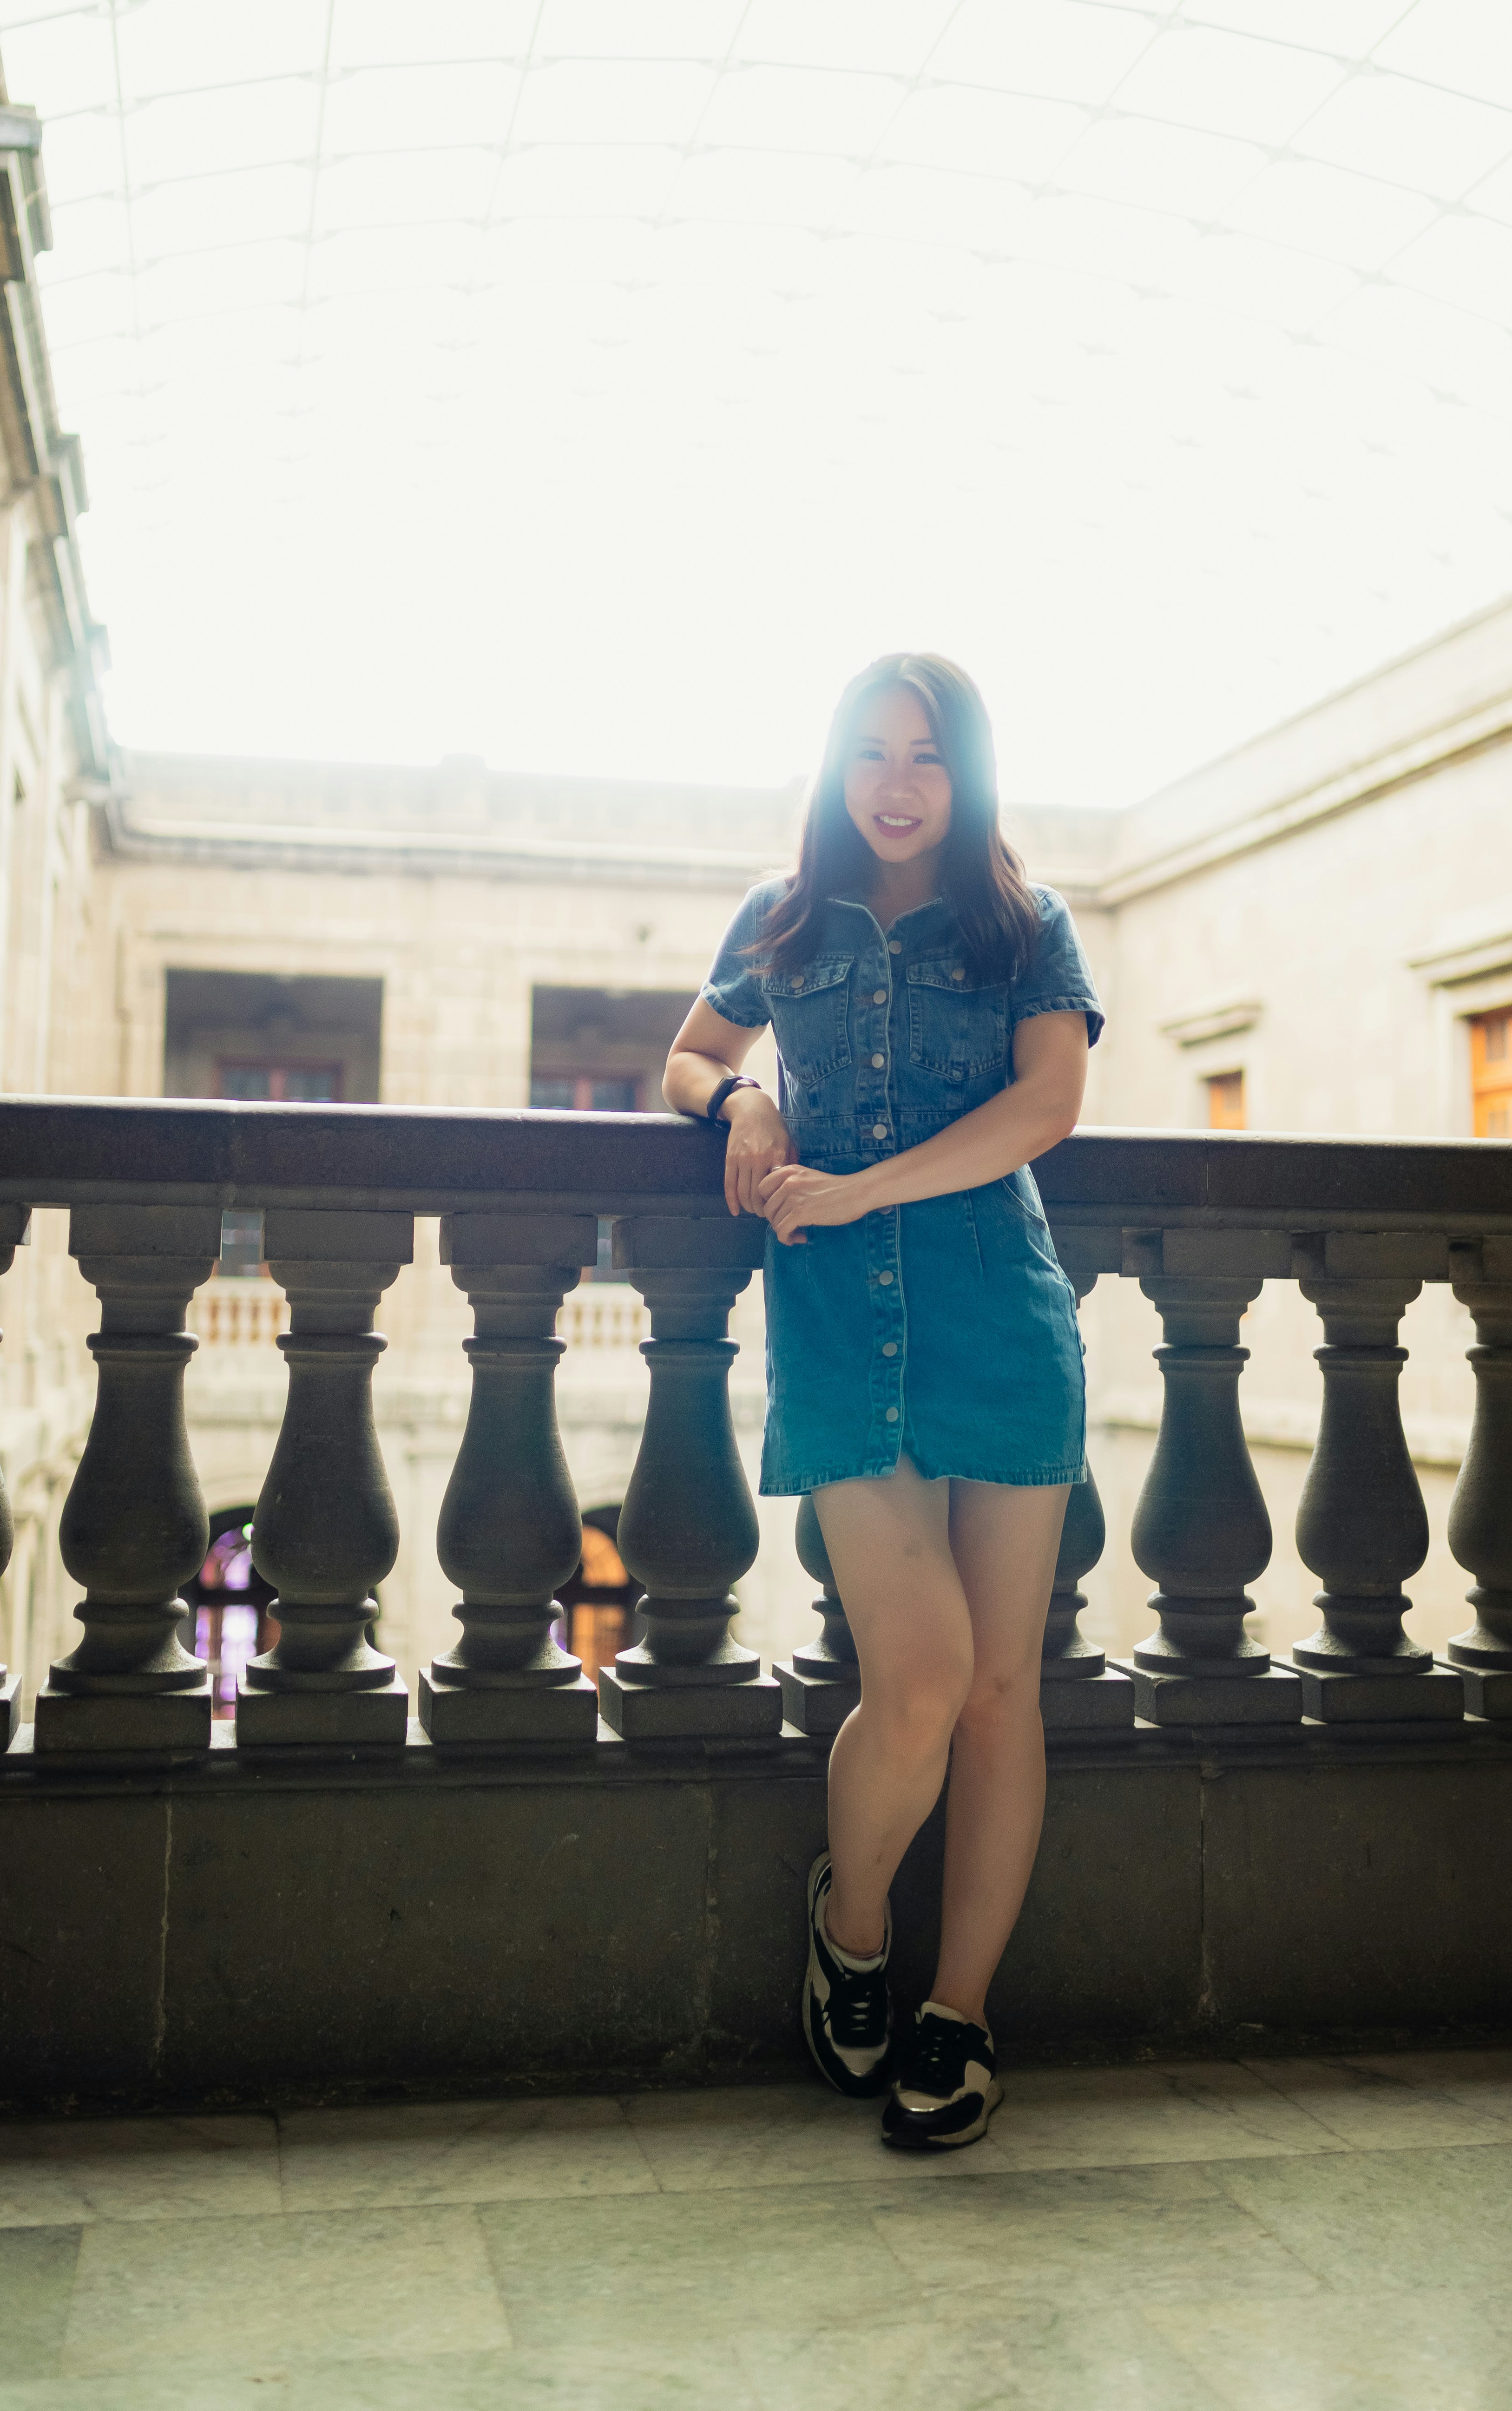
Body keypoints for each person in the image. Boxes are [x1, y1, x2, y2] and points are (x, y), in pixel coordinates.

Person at [662, 653, 1102, 2152]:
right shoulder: (781, 920)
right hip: (843, 1331)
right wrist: (751, 1101)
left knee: (996, 1694)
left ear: (962, 774)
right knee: (915, 1678)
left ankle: (956, 2015)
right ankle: (853, 1936)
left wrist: (861, 1188)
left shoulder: (1023, 924)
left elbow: (1046, 1106)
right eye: (871, 753)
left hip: (1001, 1315)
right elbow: (686, 1054)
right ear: (836, 767)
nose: (897, 783)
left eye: (927, 756)